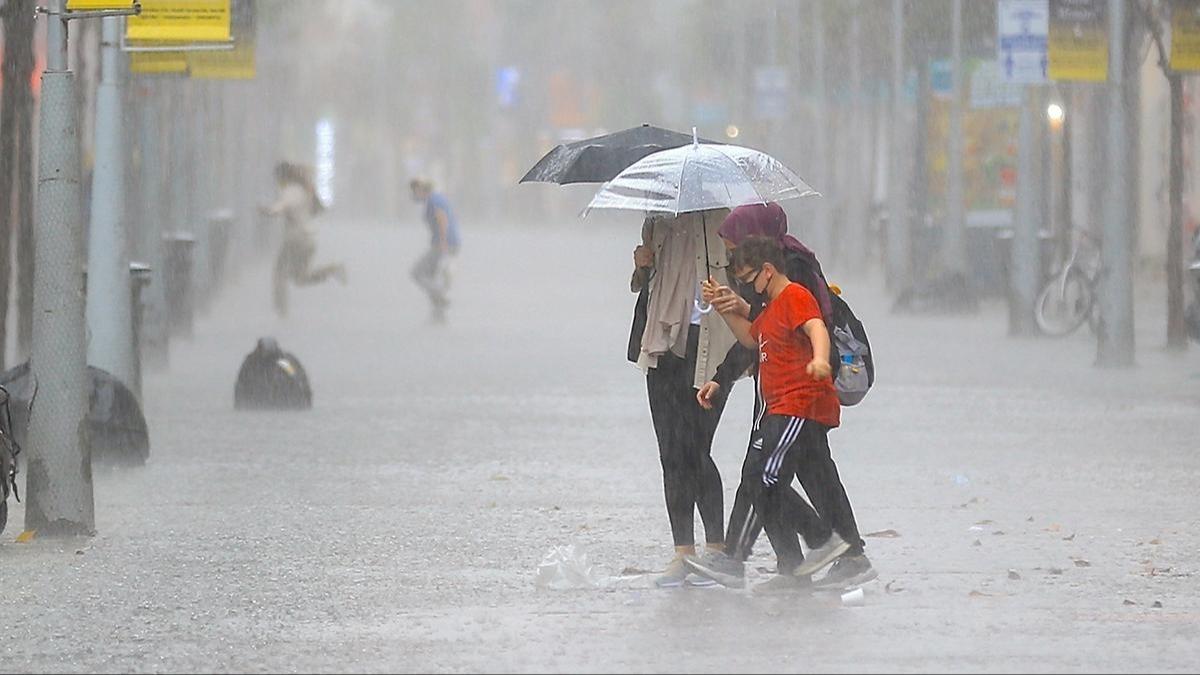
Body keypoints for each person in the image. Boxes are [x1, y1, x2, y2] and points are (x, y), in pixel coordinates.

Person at [686, 205, 875, 590]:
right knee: (810, 474)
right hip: (783, 390)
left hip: (797, 391)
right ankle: (817, 560)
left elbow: (809, 325)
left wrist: (819, 359)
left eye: (735, 251)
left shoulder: (792, 276)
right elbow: (757, 334)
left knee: (761, 475)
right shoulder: (766, 283)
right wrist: (730, 319)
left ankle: (772, 554)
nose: (732, 262)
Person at [630, 209, 739, 587]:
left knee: (696, 449)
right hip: (662, 344)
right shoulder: (656, 218)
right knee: (670, 453)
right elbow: (644, 285)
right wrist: (642, 265)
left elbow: (747, 283)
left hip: (711, 346)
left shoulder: (725, 222)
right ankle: (683, 553)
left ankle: (717, 548)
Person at [260, 161, 346, 318]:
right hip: (306, 240)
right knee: (300, 278)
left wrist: (269, 210)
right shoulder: (303, 189)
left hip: (295, 240)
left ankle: (281, 311)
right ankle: (332, 270)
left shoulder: (293, 190)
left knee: (279, 273)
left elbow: (285, 204)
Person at [409, 177, 461, 323]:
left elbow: (442, 218)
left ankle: (440, 297)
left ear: (420, 189)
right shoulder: (435, 198)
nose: (413, 195)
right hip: (446, 243)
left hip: (443, 244)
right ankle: (438, 307)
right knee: (431, 275)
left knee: (417, 272)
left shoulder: (433, 200)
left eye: (414, 191)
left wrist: (443, 241)